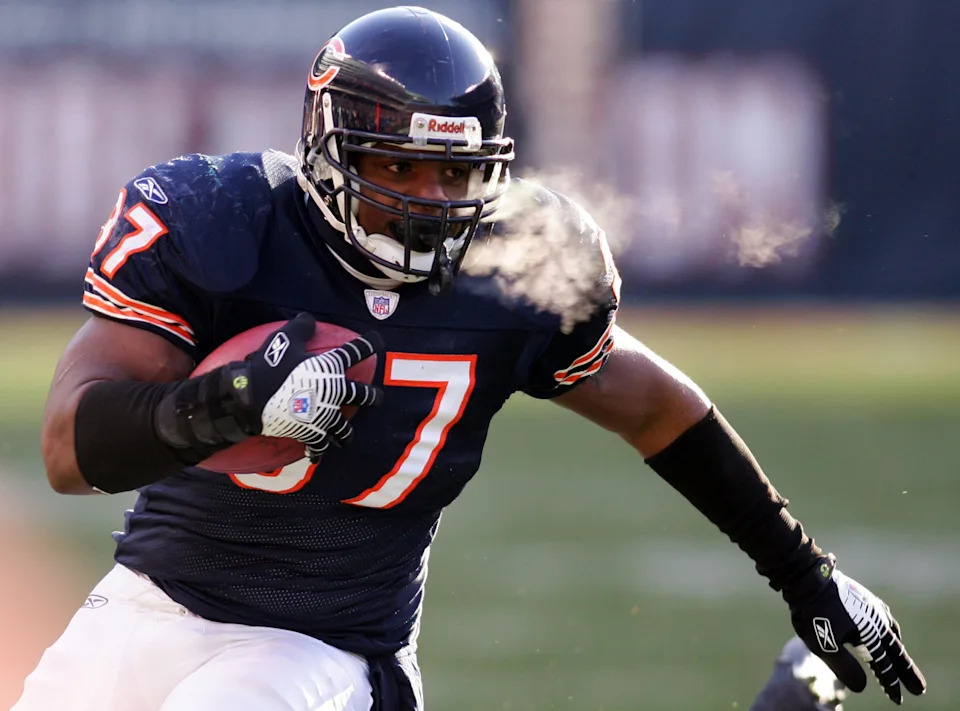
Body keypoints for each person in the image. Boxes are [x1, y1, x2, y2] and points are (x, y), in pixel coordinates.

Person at [17, 6, 925, 711]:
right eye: (398, 169)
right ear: (329, 153)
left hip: (324, 648)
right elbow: (68, 449)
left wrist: (804, 573)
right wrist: (229, 402)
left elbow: (656, 407)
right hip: (151, 600)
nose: (428, 201)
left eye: (454, 174)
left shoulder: (511, 269)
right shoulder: (227, 226)